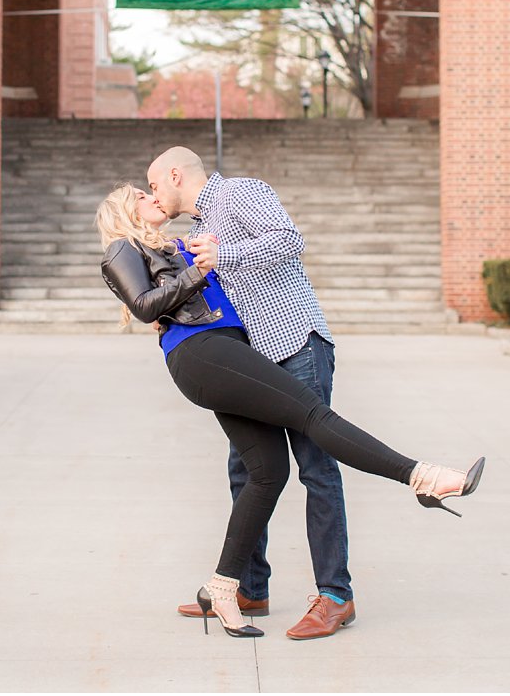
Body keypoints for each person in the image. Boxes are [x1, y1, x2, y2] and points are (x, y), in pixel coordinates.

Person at [96, 183, 484, 639]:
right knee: (313, 416)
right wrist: (199, 272)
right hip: (201, 352)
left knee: (267, 472)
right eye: (143, 194)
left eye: (153, 188)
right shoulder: (121, 247)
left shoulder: (180, 242)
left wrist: (208, 262)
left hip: (227, 350)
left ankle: (222, 588)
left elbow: (263, 257)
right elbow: (143, 307)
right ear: (126, 211)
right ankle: (426, 477)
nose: (152, 197)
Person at [145, 145, 359, 640]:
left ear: (176, 174)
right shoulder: (194, 234)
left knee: (316, 468)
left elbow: (289, 240)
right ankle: (249, 587)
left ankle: (335, 596)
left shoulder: (241, 192)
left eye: (155, 184)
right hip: (250, 363)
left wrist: (227, 254)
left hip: (295, 344)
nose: (155, 193)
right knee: (247, 470)